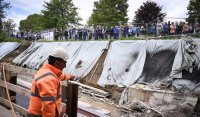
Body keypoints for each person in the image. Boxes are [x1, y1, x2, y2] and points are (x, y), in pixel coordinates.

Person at [27, 47, 75, 117]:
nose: (65, 66)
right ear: (57, 62)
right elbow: (48, 105)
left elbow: (59, 76)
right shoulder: (49, 79)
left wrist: (69, 77)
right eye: (64, 63)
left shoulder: (47, 71)